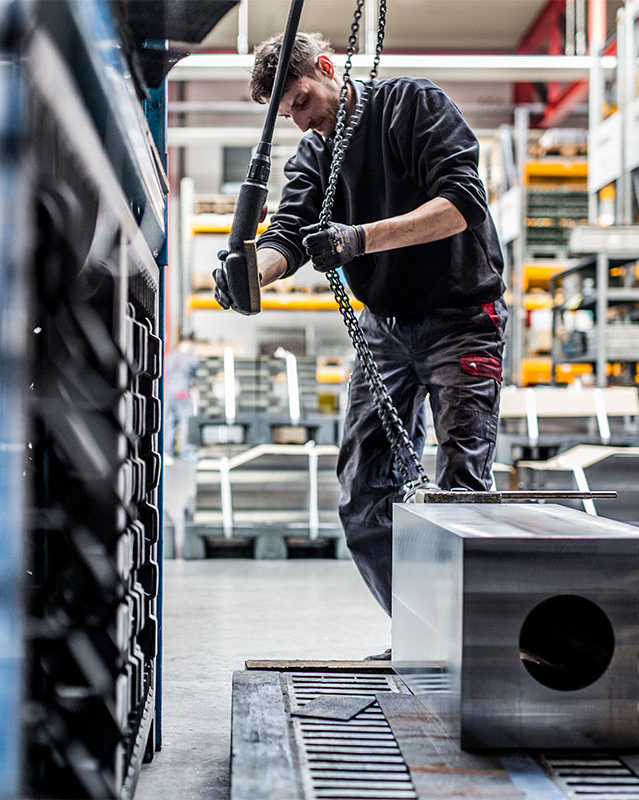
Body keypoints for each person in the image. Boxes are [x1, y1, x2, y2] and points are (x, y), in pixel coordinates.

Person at [213, 32, 506, 644]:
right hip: (384, 330)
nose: (300, 121)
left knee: (461, 490)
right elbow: (287, 234)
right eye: (287, 113)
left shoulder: (411, 105)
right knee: (363, 494)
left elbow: (462, 204)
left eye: (299, 101)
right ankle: (429, 636)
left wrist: (359, 239)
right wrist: (252, 274)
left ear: (326, 67)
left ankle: (476, 648)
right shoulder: (314, 152)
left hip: (460, 319)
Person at [164, 332, 199, 460]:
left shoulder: (170, 356)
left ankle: (167, 451)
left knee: (170, 422)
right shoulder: (191, 358)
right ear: (188, 342)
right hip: (183, 394)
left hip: (170, 393)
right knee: (185, 423)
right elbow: (195, 376)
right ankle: (187, 452)